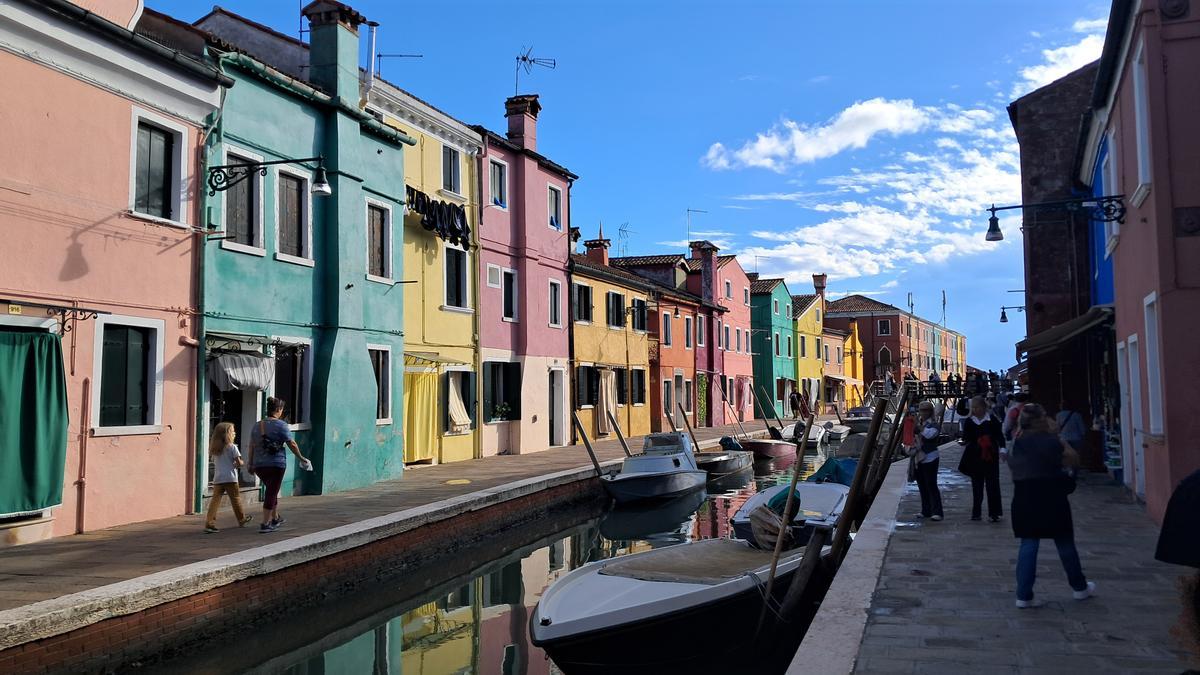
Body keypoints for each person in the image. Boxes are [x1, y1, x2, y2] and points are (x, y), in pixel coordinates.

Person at [1007, 403, 1095, 608]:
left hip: (1024, 495)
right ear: (1042, 419)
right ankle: (1079, 588)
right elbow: (1073, 460)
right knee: (1064, 542)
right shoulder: (1051, 442)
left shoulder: (1016, 443)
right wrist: (1058, 437)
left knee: (1028, 543)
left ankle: (1023, 595)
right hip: (1052, 494)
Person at [249, 397, 311, 534]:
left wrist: (250, 463)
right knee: (271, 492)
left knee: (272, 489)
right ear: (278, 410)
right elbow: (292, 443)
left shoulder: (257, 425)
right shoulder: (281, 425)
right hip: (276, 464)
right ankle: (265, 523)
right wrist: (301, 458)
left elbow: (252, 445)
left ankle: (275, 518)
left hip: (259, 465)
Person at [959, 396, 1004, 522]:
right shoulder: (969, 421)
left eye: (977, 407)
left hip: (990, 454)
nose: (975, 409)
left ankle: (994, 512)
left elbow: (999, 436)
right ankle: (976, 512)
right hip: (975, 455)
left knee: (993, 484)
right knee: (976, 485)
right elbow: (967, 437)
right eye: (973, 407)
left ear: (983, 407)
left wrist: (1003, 448)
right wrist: (965, 442)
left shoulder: (992, 420)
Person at [204, 422, 252, 533]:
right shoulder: (232, 447)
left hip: (218, 478)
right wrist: (242, 463)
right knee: (236, 499)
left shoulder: (215, 449)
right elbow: (239, 463)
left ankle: (209, 522)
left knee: (215, 501)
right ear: (227, 434)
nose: (234, 433)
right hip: (231, 478)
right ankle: (241, 519)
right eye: (232, 431)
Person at [911, 401, 944, 521]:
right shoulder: (920, 424)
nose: (923, 413)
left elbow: (930, 435)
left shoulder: (934, 425)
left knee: (931, 485)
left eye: (925, 410)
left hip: (931, 457)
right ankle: (926, 510)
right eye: (921, 410)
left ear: (930, 412)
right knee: (922, 485)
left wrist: (918, 428)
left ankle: (937, 511)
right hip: (919, 458)